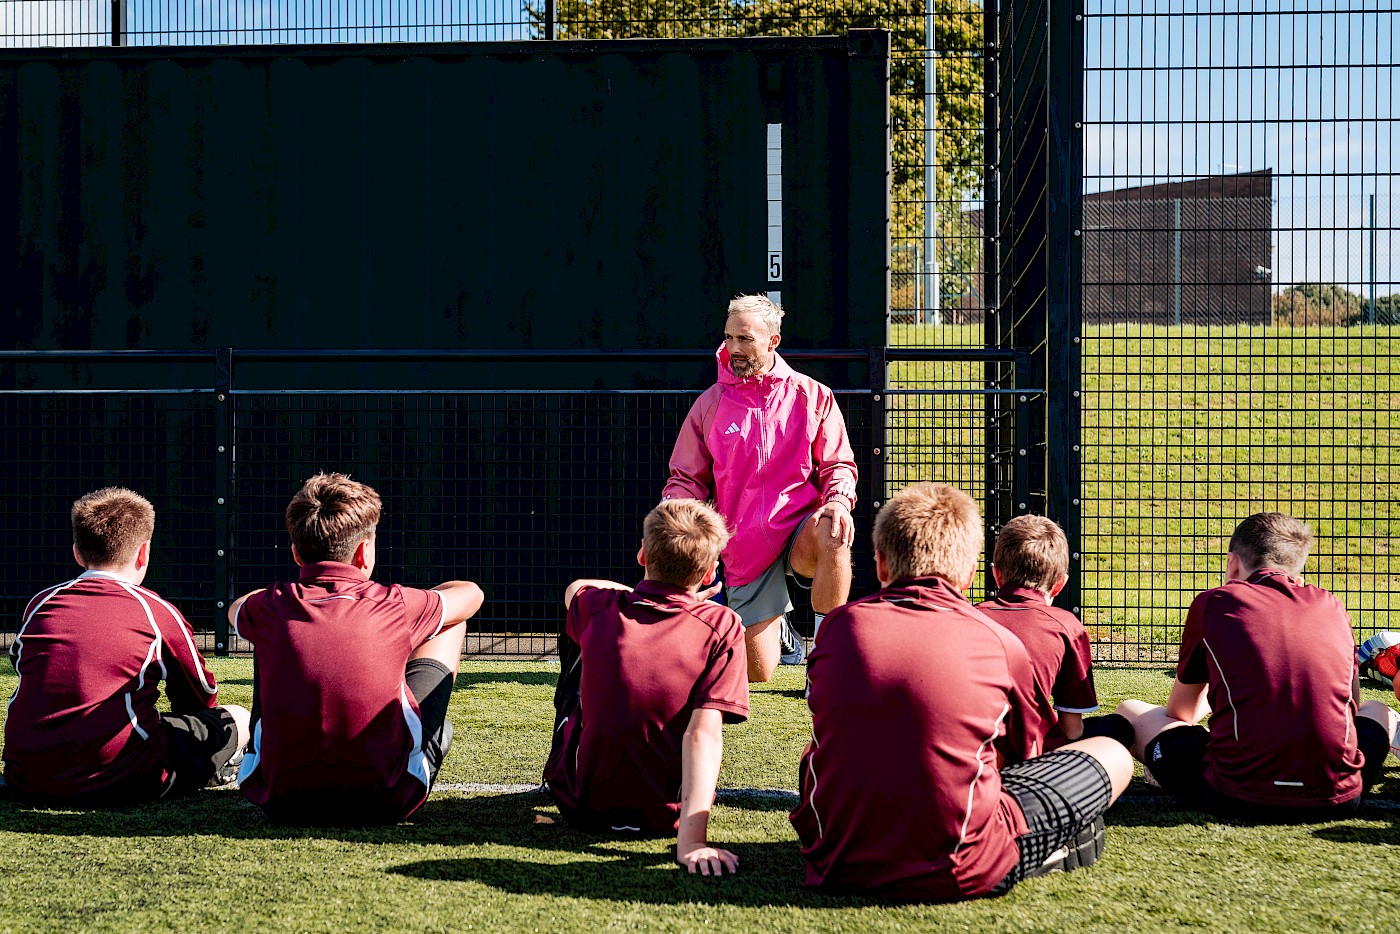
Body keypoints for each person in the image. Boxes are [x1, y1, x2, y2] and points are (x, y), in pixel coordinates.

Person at [790, 483, 1132, 902]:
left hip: (835, 862)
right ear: (971, 575)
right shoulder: (1000, 643)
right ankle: (1041, 847)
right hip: (960, 867)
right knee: (1112, 754)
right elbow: (1025, 759)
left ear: (879, 564)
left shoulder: (838, 628)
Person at [229, 472, 483, 825]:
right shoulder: (394, 603)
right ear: (364, 551)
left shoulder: (271, 604)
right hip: (387, 798)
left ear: (295, 553)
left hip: (278, 798)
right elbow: (472, 594)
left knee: (265, 630)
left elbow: (237, 608)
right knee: (451, 622)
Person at [1116, 512, 1398, 820]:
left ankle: (1166, 769)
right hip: (1339, 796)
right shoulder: (1332, 605)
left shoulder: (1214, 602)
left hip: (1234, 794)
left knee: (1132, 710)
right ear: (1298, 569)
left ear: (1232, 562)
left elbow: (1181, 712)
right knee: (1378, 711)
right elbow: (1351, 707)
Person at [3, 487, 250, 804]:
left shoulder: (40, 604)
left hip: (25, 778)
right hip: (124, 779)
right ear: (144, 552)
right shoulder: (156, 611)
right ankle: (215, 769)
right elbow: (201, 693)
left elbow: (29, 672)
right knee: (237, 718)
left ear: (77, 552)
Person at [544, 499, 748, 876]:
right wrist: (692, 843)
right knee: (704, 713)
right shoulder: (723, 623)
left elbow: (576, 587)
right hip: (665, 815)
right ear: (709, 573)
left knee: (580, 633)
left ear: (642, 554)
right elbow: (704, 735)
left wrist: (643, 597)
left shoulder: (599, 606)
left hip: (580, 804)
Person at [664, 293, 857, 682]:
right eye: (729, 337)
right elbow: (685, 479)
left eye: (745, 339)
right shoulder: (708, 405)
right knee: (756, 674)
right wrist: (672, 524)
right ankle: (782, 631)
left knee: (835, 530)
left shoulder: (813, 395)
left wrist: (837, 500)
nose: (733, 348)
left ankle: (825, 662)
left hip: (800, 528)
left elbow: (838, 464)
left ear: (773, 341)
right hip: (744, 543)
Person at [975, 515, 1134, 750]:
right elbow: (1073, 730)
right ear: (1060, 584)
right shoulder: (1066, 626)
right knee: (1117, 729)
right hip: (1031, 759)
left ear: (996, 574)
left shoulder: (967, 617)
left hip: (969, 753)